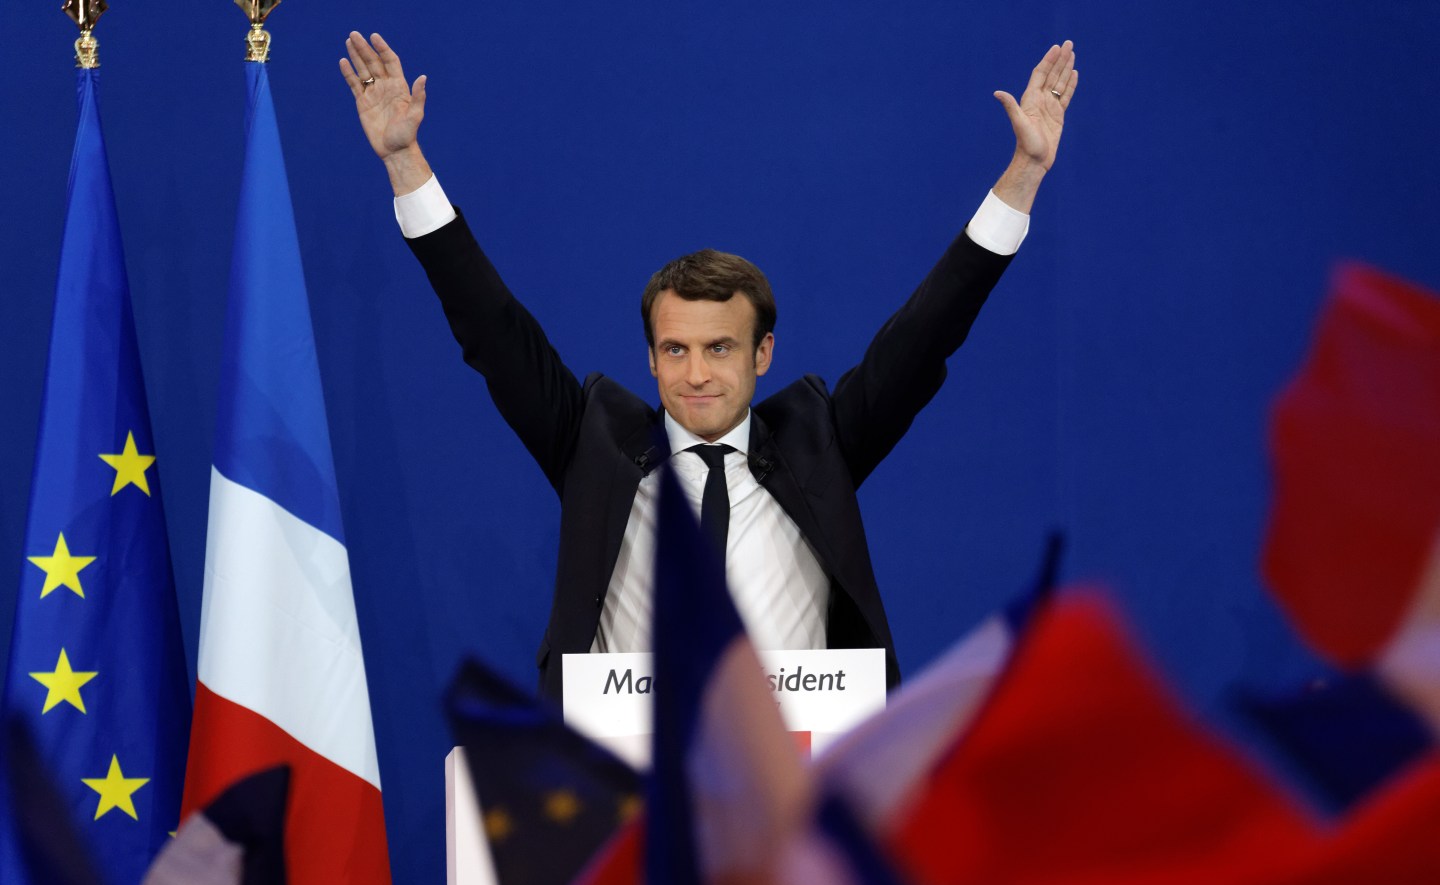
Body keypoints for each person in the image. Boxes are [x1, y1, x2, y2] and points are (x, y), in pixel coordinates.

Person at [340, 33, 1078, 701]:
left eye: (720, 348)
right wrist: (406, 163)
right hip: (630, 801)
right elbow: (491, 327)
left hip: (800, 793)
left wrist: (1022, 176)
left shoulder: (821, 439)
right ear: (651, 358)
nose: (695, 374)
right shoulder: (591, 441)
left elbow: (927, 334)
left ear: (764, 354)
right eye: (675, 350)